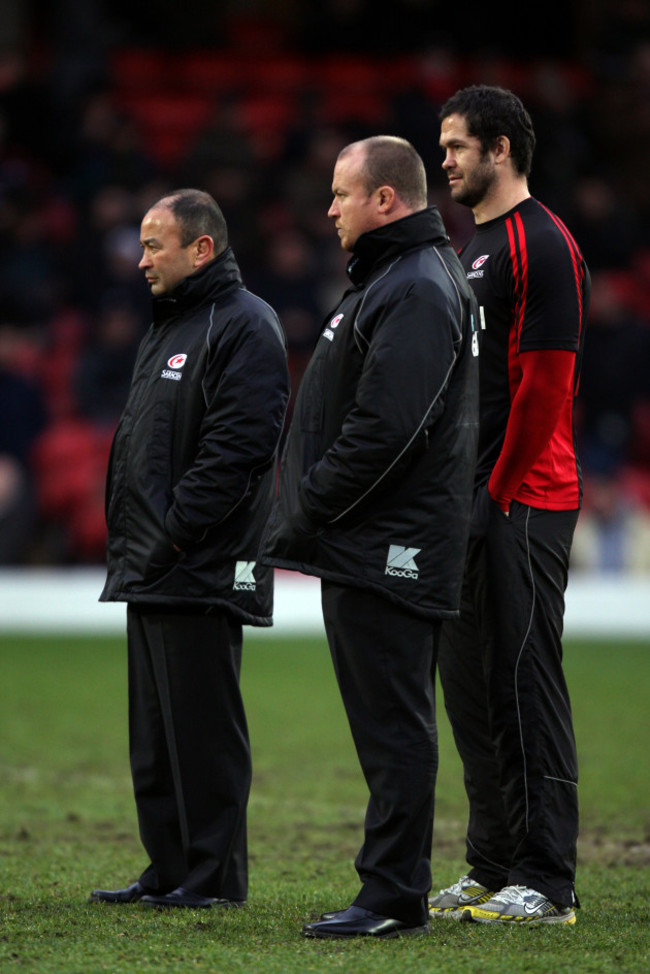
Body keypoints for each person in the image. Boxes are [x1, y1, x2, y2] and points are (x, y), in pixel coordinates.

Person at [261, 136, 479, 938]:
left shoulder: (416, 285)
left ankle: (391, 895)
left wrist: (309, 504)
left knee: (394, 724)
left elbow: (388, 427)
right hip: (374, 538)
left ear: (385, 200)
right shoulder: (400, 276)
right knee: (389, 721)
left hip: (388, 543)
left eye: (341, 193)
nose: (329, 208)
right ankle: (391, 887)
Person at [90, 189, 290, 909]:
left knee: (202, 734)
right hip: (154, 561)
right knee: (155, 740)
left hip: (197, 561)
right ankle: (169, 868)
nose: (141, 260)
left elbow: (239, 451)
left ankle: (212, 879)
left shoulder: (245, 325)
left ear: (201, 248)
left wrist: (173, 530)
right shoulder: (172, 325)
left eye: (154, 245)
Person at [432, 85, 590, 925]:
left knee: (527, 682)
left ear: (498, 148)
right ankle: (493, 863)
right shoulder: (475, 247)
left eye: (455, 146)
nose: (444, 161)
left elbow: (545, 389)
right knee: (472, 685)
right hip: (474, 500)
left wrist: (494, 493)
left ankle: (551, 881)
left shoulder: (544, 244)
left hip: (524, 498)